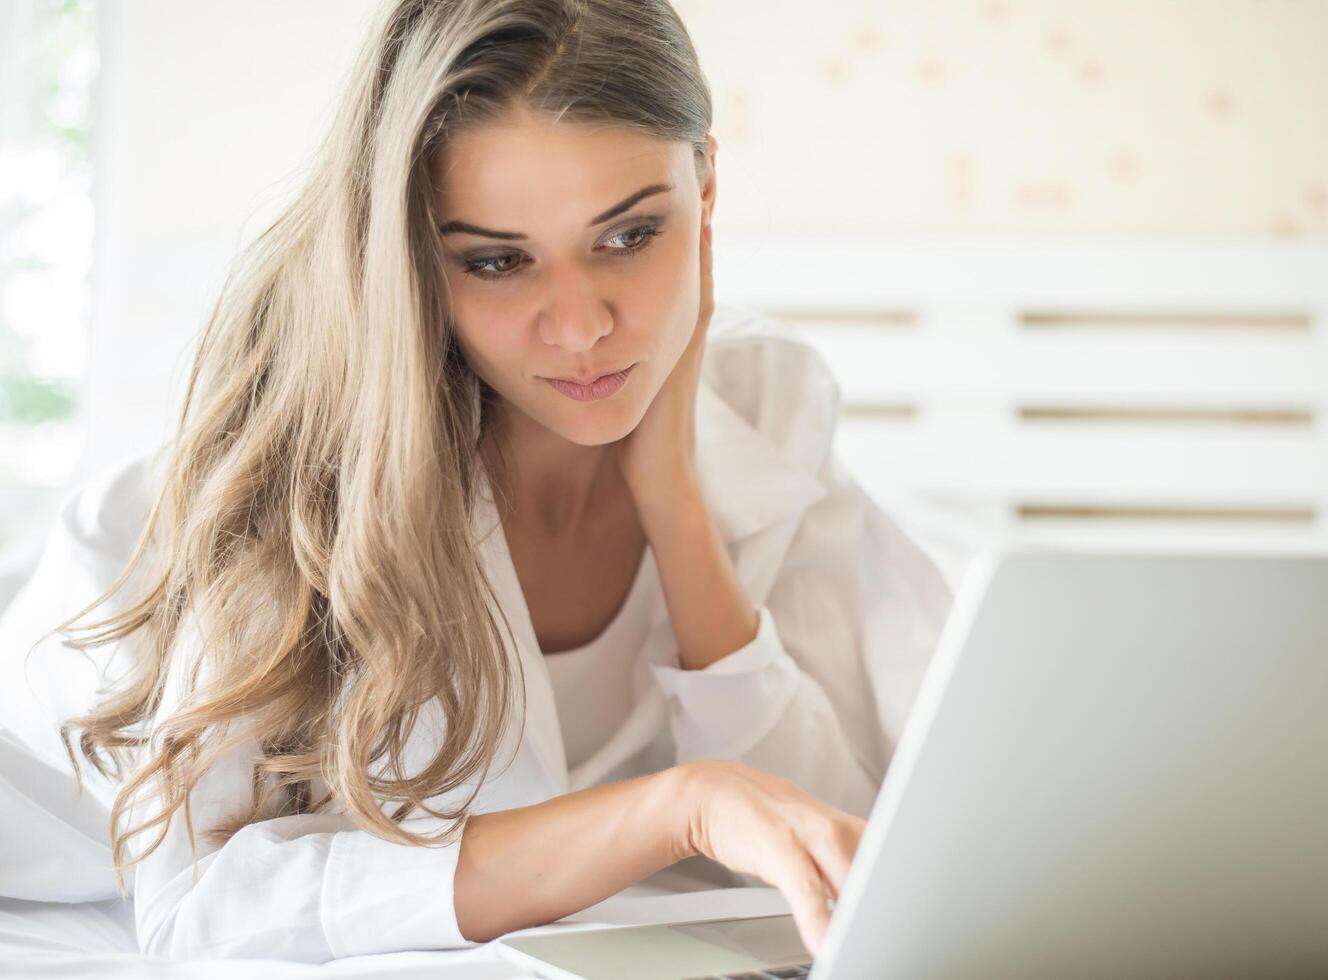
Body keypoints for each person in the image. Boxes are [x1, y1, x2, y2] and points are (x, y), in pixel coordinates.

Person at [0, 0, 954, 966]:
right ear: (413, 254)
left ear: (704, 191)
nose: (580, 327)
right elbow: (204, 910)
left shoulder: (764, 400)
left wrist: (673, 502)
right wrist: (681, 806)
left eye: (628, 237)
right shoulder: (294, 468)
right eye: (497, 261)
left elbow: (836, 838)